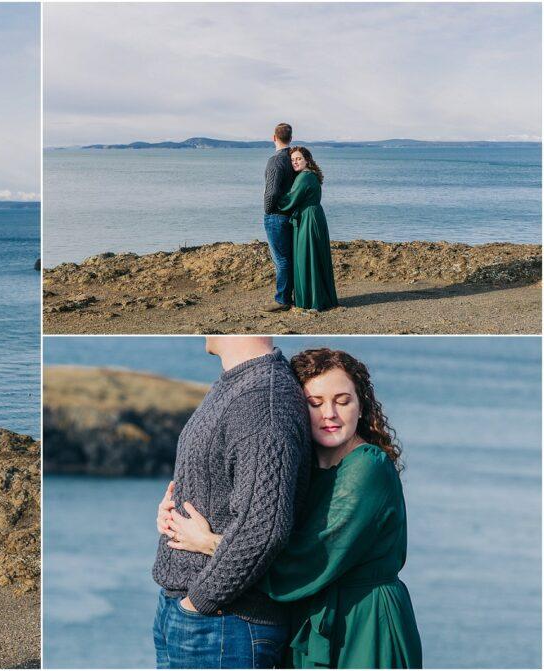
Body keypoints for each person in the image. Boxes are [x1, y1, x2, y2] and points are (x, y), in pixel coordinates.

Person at [165, 348, 422, 668]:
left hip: (363, 624)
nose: (330, 413)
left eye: (343, 401)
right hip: (308, 616)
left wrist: (209, 542)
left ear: (361, 406)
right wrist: (174, 513)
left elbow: (307, 562)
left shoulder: (368, 468)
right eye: (315, 404)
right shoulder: (306, 468)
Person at [152, 336, 312, 668]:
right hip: (194, 616)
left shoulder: (262, 399)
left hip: (225, 622)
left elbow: (264, 528)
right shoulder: (238, 382)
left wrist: (199, 602)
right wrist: (171, 511)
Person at [278, 147, 338, 311]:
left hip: (308, 219)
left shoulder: (304, 177)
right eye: (292, 160)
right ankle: (319, 297)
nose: (295, 162)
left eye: (298, 159)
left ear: (307, 160)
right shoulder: (310, 176)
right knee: (314, 257)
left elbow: (291, 200)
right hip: (312, 215)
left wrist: (273, 200)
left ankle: (311, 301)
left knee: (307, 257)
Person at [261, 122, 297, 313]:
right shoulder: (293, 159)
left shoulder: (275, 160)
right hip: (290, 214)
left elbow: (272, 191)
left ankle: (282, 299)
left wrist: (267, 210)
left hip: (276, 215)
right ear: (290, 138)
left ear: (274, 138)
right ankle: (292, 296)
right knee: (289, 258)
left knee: (281, 259)